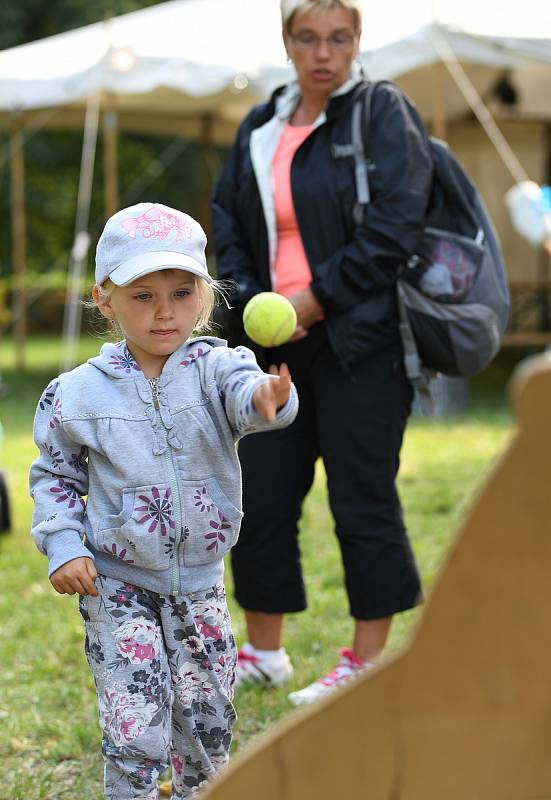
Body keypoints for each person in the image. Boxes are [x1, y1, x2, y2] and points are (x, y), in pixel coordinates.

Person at [29, 202, 298, 800]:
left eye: (181, 292)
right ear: (105, 299)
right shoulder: (73, 395)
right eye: (142, 295)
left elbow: (243, 392)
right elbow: (54, 477)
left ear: (204, 295)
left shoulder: (216, 369)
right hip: (116, 582)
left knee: (207, 721)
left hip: (200, 581)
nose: (165, 311)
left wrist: (266, 398)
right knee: (135, 722)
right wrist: (64, 545)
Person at [211, 0, 434, 706]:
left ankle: (366, 664)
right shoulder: (260, 125)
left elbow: (397, 226)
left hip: (359, 342)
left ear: (357, 41)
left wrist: (314, 301)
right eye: (307, 38)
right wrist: (252, 302)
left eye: (338, 38)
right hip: (269, 346)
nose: (323, 53)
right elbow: (227, 220)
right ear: (286, 41)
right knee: (261, 498)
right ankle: (264, 652)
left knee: (361, 500)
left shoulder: (381, 114)